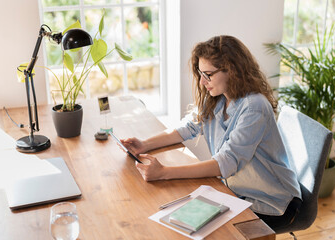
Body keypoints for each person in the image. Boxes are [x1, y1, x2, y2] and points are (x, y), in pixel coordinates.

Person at [121, 35, 302, 231]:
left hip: (272, 202)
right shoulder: (218, 98)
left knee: (201, 228)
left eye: (208, 74)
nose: (202, 82)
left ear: (232, 71)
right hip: (237, 193)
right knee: (175, 216)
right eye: (201, 74)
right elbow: (188, 128)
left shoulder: (254, 107)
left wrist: (164, 172)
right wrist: (145, 144)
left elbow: (226, 162)